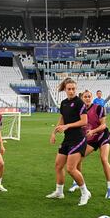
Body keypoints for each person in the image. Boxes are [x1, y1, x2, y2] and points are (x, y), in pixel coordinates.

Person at [46, 78, 91, 206]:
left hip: (78, 139)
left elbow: (84, 121)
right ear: (65, 89)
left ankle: (85, 193)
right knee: (58, 165)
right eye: (69, 89)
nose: (71, 91)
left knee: (71, 168)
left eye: (73, 89)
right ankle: (59, 192)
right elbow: (62, 118)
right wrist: (54, 133)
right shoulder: (64, 103)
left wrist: (67, 126)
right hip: (67, 139)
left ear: (76, 89)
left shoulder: (79, 103)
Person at [69, 90, 110, 199]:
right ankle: (76, 182)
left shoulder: (98, 108)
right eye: (85, 97)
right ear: (82, 98)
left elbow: (103, 125)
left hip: (103, 136)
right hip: (91, 139)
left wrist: (93, 131)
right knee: (78, 158)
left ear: (91, 97)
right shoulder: (79, 111)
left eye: (89, 96)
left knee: (104, 159)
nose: (88, 98)